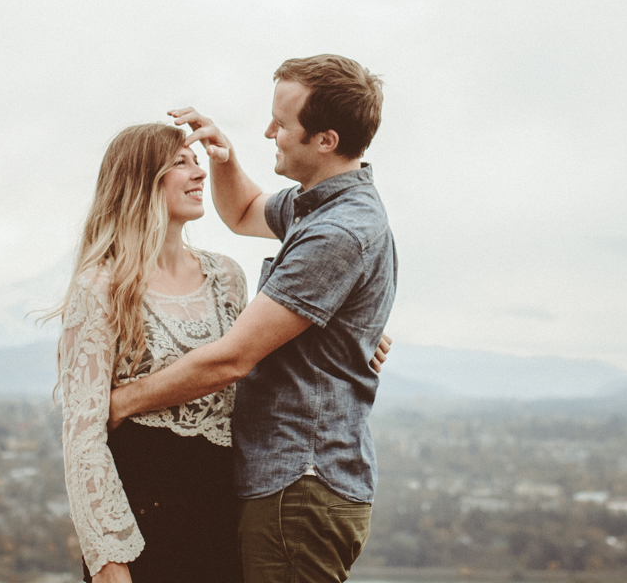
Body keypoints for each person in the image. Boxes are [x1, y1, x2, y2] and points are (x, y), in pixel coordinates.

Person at [108, 54, 397, 583]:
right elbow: (243, 213)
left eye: (282, 125)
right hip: (288, 484)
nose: (270, 133)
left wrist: (123, 400)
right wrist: (223, 159)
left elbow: (234, 358)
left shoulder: (338, 233)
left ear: (326, 140)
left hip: (298, 486)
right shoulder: (319, 206)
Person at [46, 123, 249, 583]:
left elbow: (262, 355)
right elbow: (83, 437)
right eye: (181, 162)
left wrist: (347, 334)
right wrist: (109, 559)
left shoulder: (228, 277)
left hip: (225, 517)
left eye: (197, 161)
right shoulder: (101, 287)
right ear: (140, 179)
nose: (199, 173)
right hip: (142, 521)